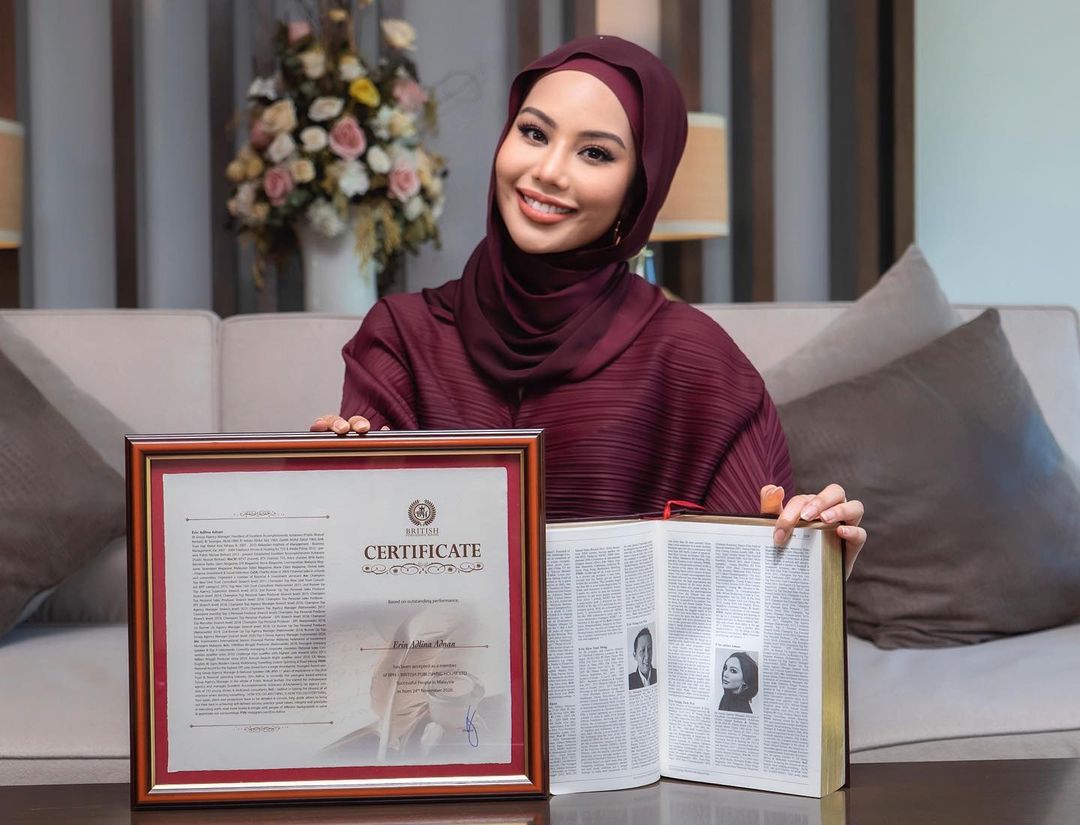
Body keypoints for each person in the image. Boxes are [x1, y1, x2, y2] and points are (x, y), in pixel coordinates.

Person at [312, 35, 866, 575]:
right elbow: (362, 577)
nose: (549, 171)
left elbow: (750, 585)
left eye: (595, 153)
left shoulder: (698, 361)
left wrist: (815, 564)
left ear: (637, 193)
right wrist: (323, 492)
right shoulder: (401, 337)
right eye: (534, 133)